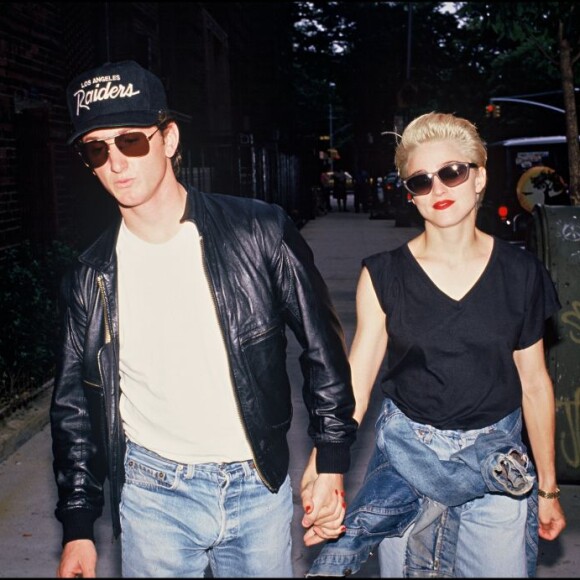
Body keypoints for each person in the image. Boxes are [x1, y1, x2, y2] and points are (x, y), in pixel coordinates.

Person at [50, 60, 357, 578]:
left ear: (168, 138)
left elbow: (321, 348)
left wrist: (331, 459)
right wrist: (79, 525)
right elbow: (74, 407)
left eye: (130, 141)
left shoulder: (259, 231)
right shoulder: (91, 275)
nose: (116, 163)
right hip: (153, 492)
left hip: (256, 481)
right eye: (96, 149)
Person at [307, 112, 566, 577]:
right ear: (410, 194)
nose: (439, 189)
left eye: (452, 172)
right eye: (421, 181)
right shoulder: (383, 273)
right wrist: (326, 463)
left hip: (498, 466)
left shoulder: (520, 272)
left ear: (479, 176)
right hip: (407, 459)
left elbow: (535, 384)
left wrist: (547, 487)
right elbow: (358, 381)